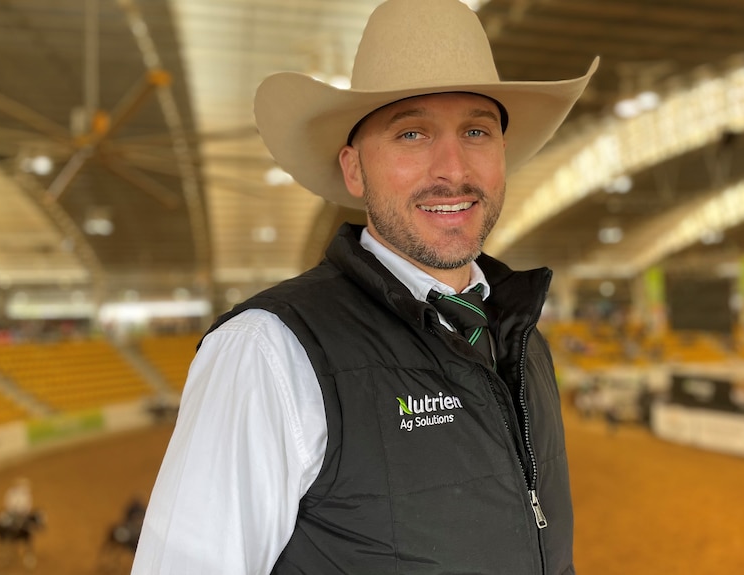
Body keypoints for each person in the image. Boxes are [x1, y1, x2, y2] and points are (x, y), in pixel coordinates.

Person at [132, 0, 597, 573]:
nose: (453, 168)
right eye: (411, 134)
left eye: (476, 130)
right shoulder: (268, 351)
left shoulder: (526, 344)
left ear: (503, 153)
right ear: (354, 171)